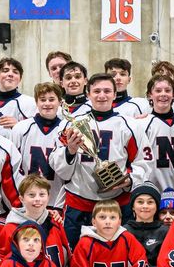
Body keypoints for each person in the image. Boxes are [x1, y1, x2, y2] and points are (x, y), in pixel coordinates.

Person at [54, 73, 155, 245]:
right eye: (97, 91)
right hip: (79, 203)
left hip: (116, 204)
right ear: (88, 95)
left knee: (116, 256)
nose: (102, 95)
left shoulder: (130, 125)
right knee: (76, 258)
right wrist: (70, 151)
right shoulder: (72, 124)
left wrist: (129, 180)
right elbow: (58, 166)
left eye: (107, 91)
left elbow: (144, 162)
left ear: (115, 94)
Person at [9, 81, 68, 207]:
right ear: (36, 102)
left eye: (52, 99)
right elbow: (13, 168)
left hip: (56, 201)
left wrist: (60, 205)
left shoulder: (66, 129)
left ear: (60, 102)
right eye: (42, 99)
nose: (47, 103)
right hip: (28, 200)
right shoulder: (21, 128)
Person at [140, 75, 174, 192]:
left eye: (167, 90)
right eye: (158, 90)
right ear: (150, 94)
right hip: (150, 192)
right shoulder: (141, 124)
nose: (163, 94)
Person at [0, 57, 36, 130]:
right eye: (5, 71)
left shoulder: (31, 103)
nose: (10, 74)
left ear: (20, 78)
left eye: (15, 72)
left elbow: (36, 131)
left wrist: (19, 125)